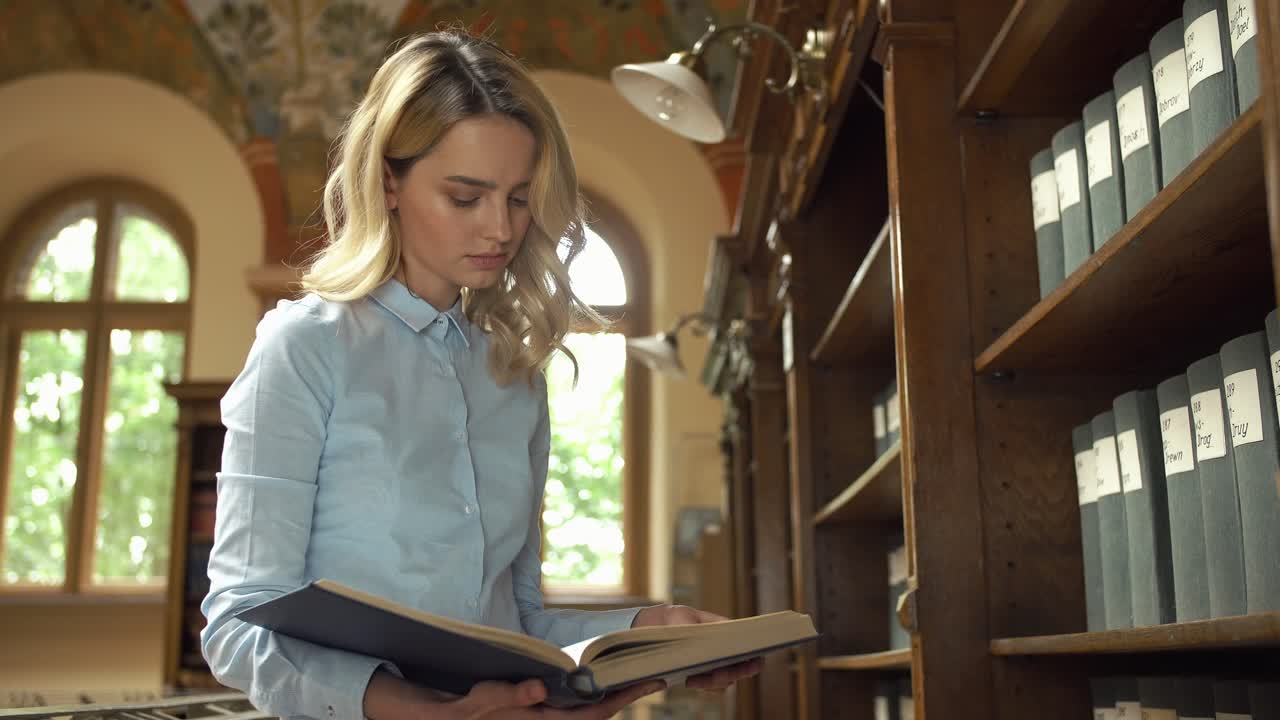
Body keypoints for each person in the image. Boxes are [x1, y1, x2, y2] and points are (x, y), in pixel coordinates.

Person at [200, 29, 759, 720]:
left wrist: (648, 632)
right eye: (466, 197)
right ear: (387, 183)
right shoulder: (305, 347)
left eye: (519, 198)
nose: (500, 228)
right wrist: (414, 709)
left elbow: (513, 629)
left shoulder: (514, 375)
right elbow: (238, 626)